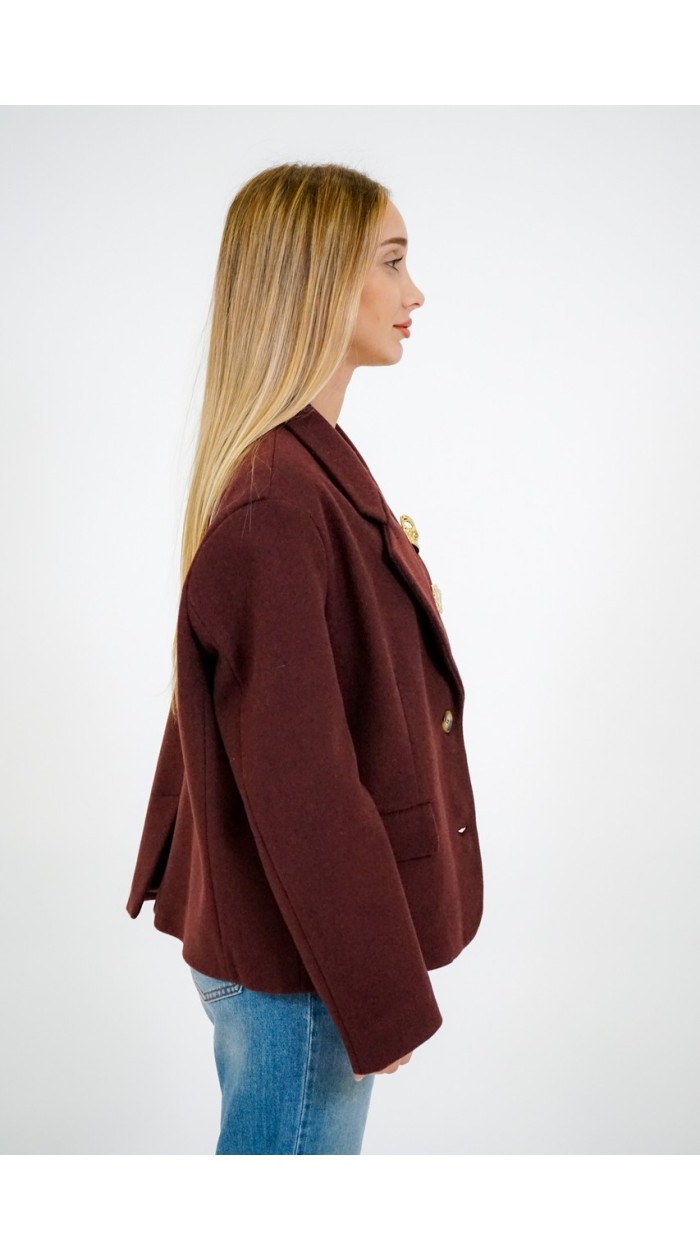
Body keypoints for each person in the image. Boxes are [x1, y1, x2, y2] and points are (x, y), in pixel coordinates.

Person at [126, 161, 484, 1155]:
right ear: (320, 280)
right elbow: (302, 780)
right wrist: (374, 988)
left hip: (294, 946)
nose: (415, 293)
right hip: (301, 961)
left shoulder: (298, 470)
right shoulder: (277, 500)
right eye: (392, 262)